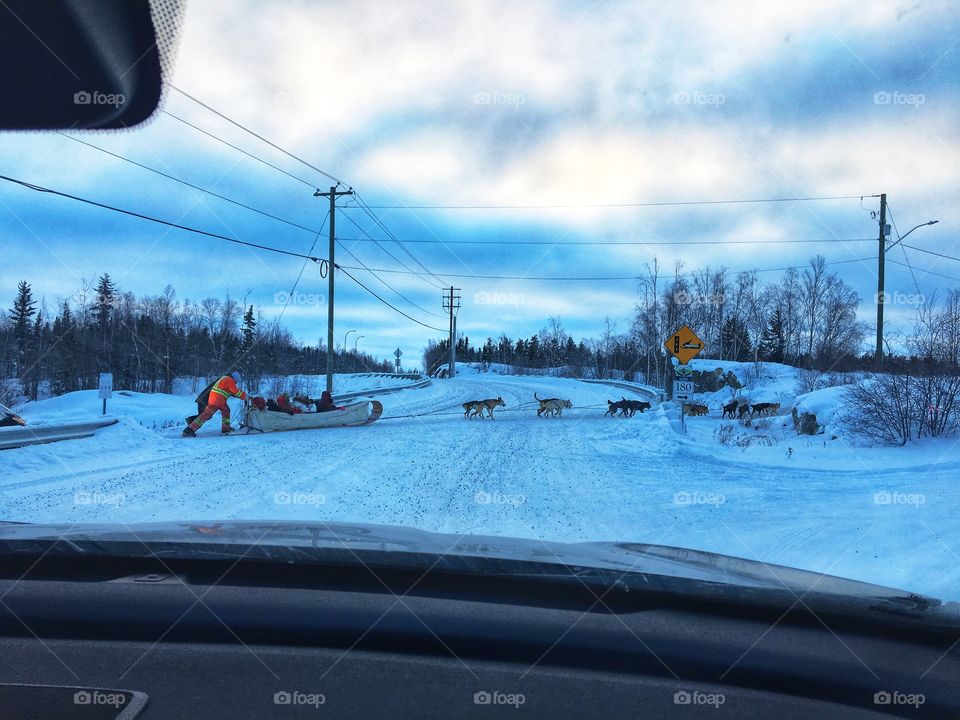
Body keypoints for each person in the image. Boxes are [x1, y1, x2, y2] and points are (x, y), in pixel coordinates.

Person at [183, 371, 248, 437]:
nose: (236, 383)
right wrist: (246, 397)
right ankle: (225, 429)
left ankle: (189, 429)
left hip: (214, 399)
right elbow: (236, 392)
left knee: (211, 413)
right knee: (219, 412)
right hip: (218, 400)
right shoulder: (230, 380)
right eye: (237, 381)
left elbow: (232, 392)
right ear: (235, 378)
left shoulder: (224, 379)